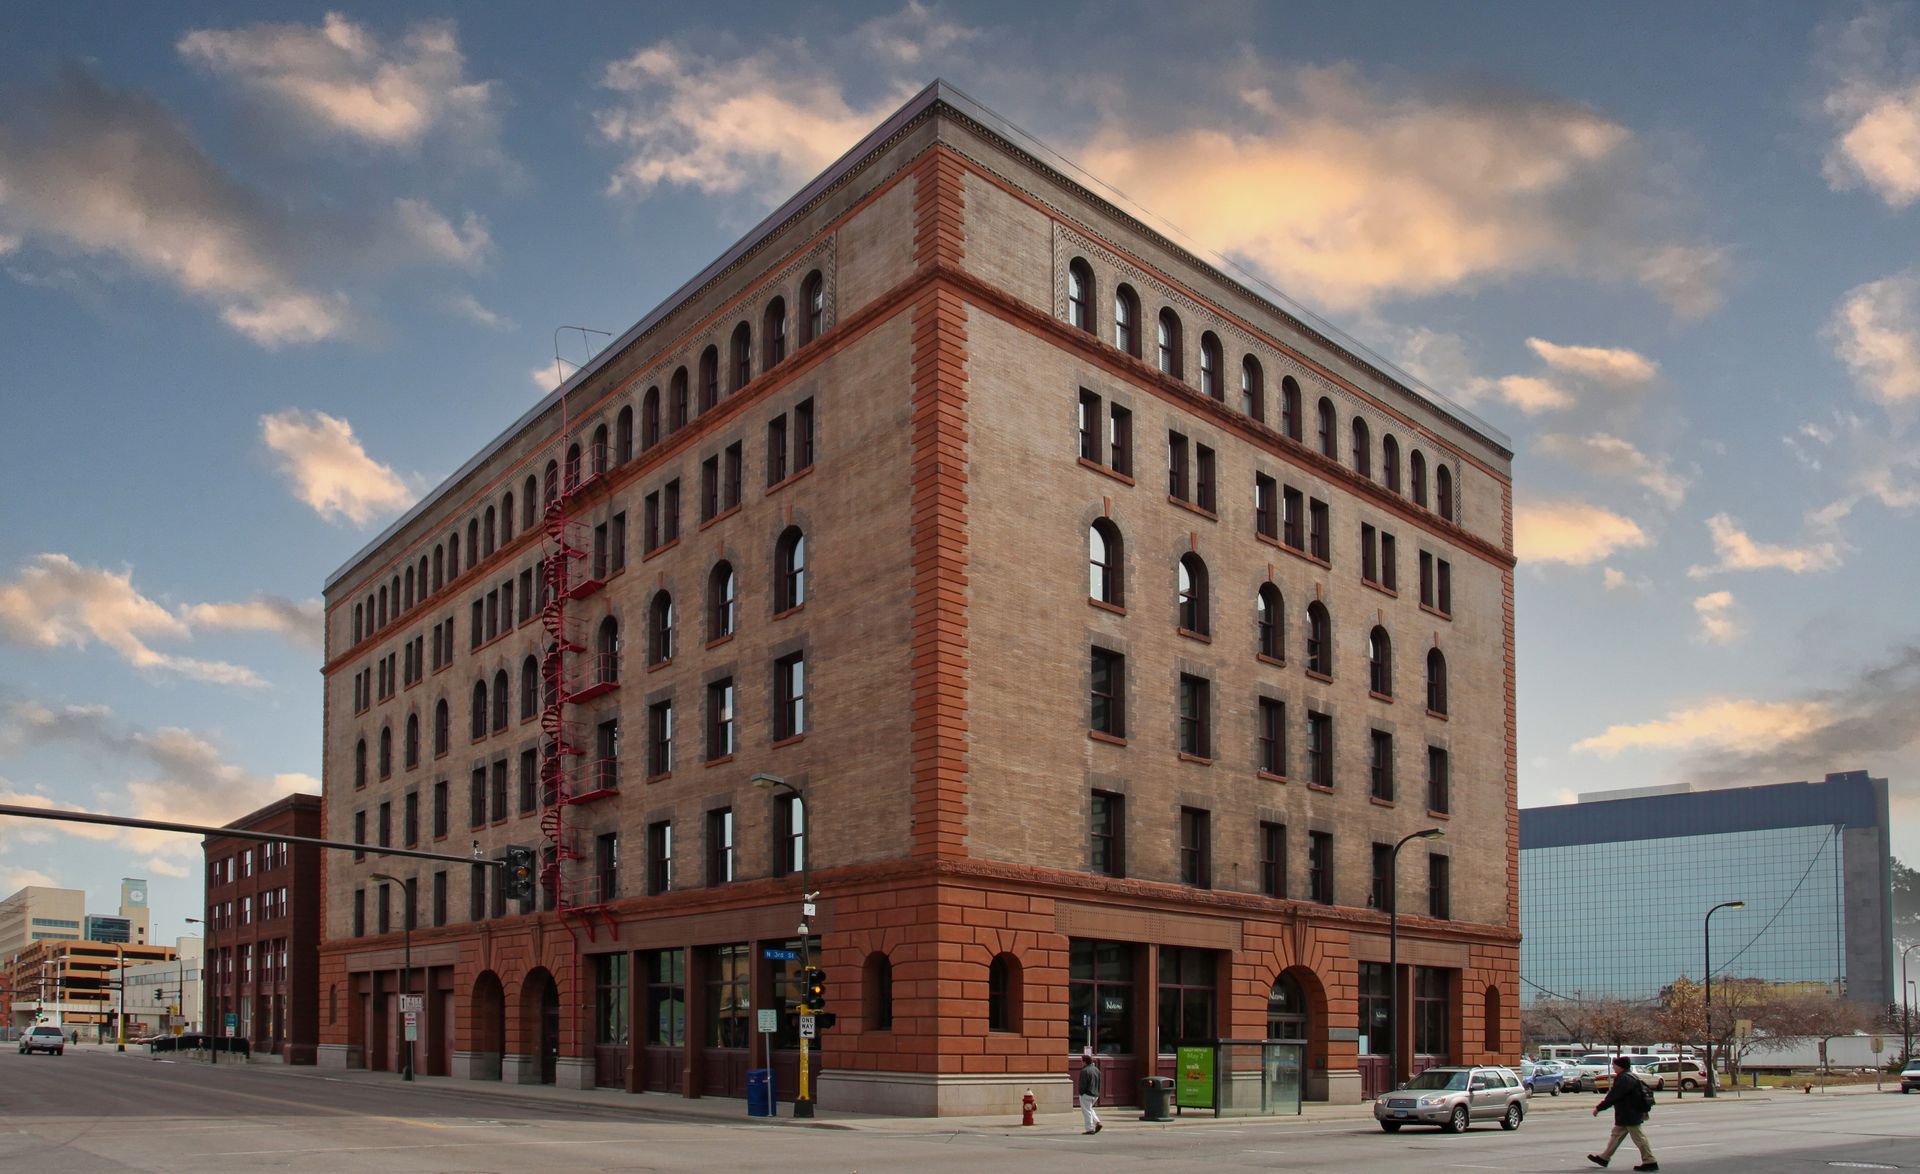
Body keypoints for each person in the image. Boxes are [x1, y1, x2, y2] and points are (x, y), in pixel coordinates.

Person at [1588, 1055, 1658, 1170]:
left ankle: (1650, 1161)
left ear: (1620, 1066)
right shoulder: (1630, 1076)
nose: (1613, 1067)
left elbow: (1614, 1096)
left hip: (1629, 1113)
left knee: (1639, 1138)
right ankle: (1604, 1157)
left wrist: (1599, 1108)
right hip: (1628, 1113)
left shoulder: (1624, 1078)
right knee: (1616, 1135)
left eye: (1614, 1065)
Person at [1077, 1047, 1103, 1134]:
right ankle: (1097, 1122)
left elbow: (1083, 1084)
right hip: (1095, 1094)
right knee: (1090, 1109)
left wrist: (1081, 1092)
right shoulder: (1097, 1070)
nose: (1081, 1062)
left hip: (1087, 1093)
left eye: (1082, 1061)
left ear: (1085, 1062)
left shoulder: (1085, 1071)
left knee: (1086, 1111)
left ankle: (1089, 1128)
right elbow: (1099, 1082)